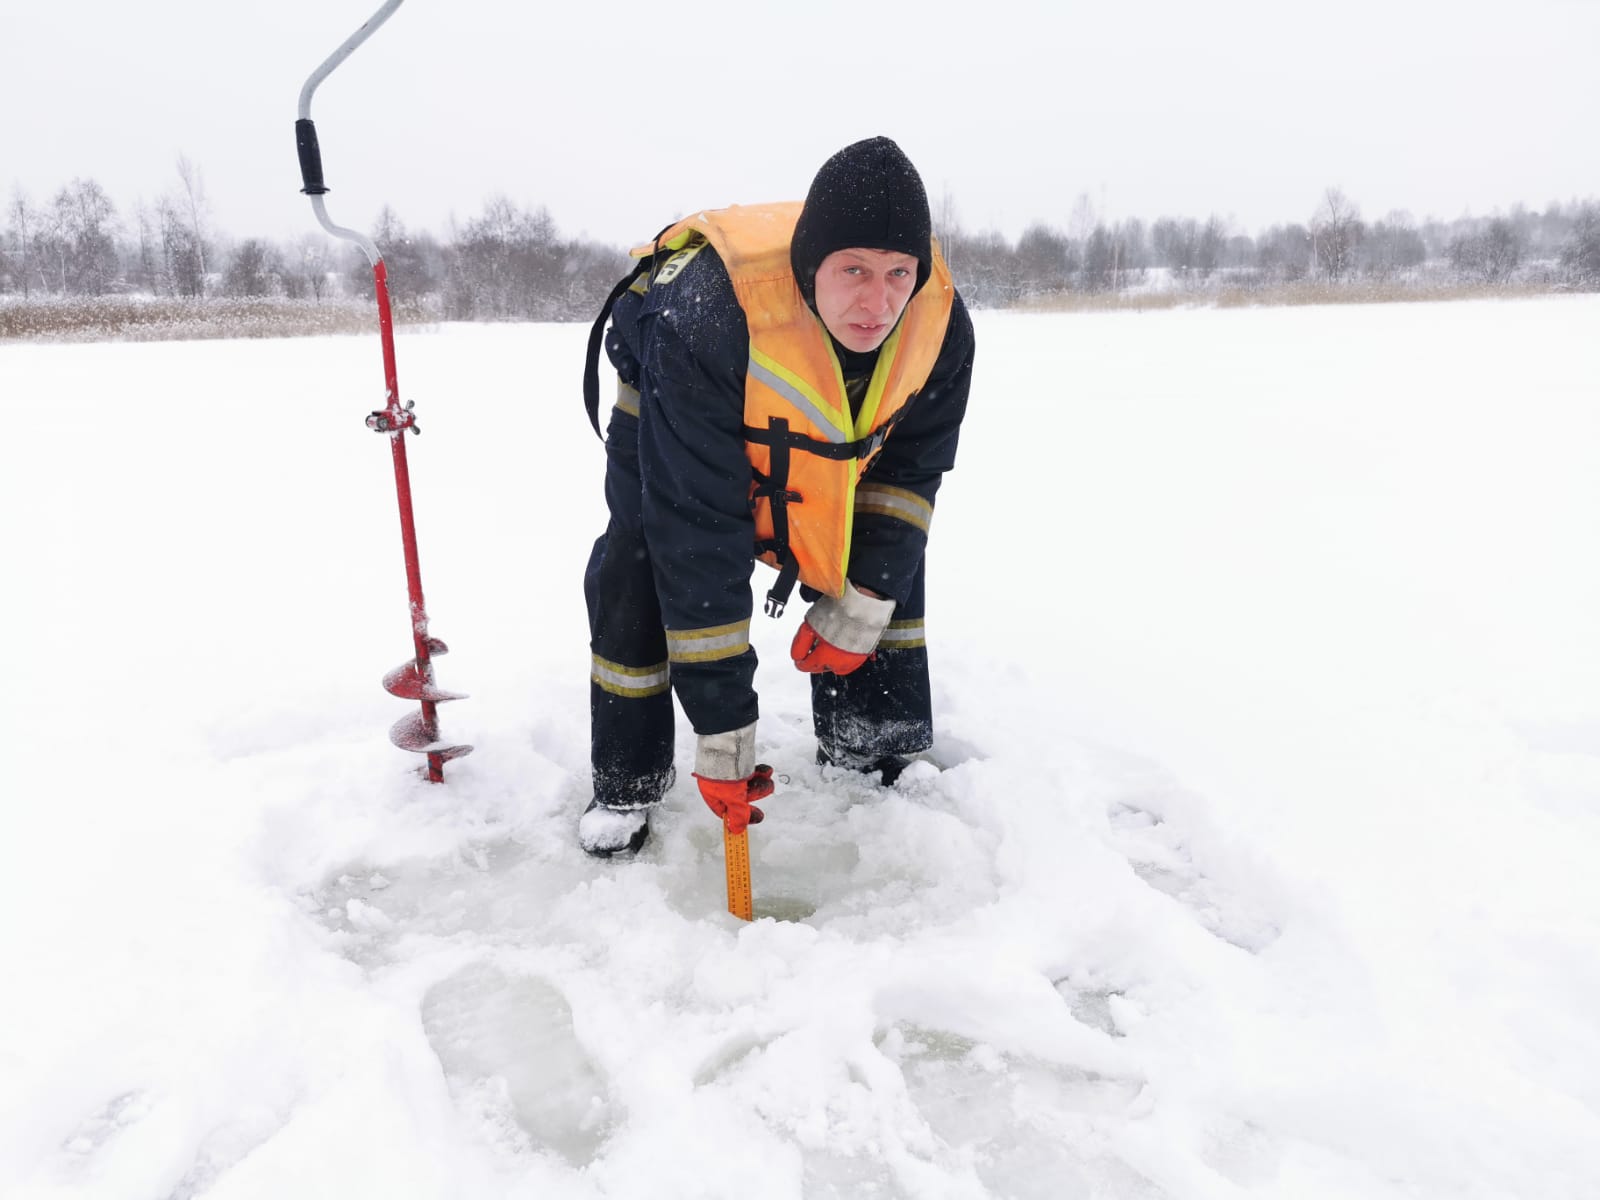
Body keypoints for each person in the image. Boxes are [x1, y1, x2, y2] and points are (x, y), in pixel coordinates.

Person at [579, 136, 976, 857]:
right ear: (809, 264)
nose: (878, 300)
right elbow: (697, 534)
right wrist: (724, 735)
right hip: (673, 402)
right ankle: (624, 782)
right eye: (853, 269)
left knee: (884, 542)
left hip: (828, 437)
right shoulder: (705, 318)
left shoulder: (940, 324)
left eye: (897, 272)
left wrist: (859, 609)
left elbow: (911, 474)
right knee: (640, 560)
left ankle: (874, 741)